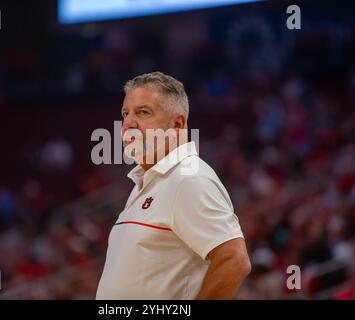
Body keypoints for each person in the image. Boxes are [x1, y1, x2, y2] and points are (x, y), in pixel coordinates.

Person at [96, 71, 251, 299]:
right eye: (125, 113)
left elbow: (235, 261)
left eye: (143, 112)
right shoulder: (148, 181)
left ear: (177, 123)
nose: (128, 123)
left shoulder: (188, 179)